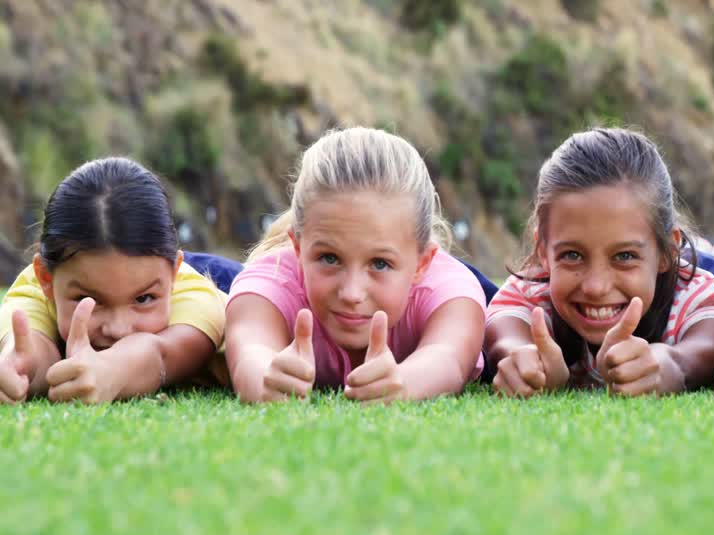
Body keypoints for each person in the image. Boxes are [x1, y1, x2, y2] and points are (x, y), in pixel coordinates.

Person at [225, 127, 486, 403]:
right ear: (298, 248)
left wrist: (405, 383)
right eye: (329, 258)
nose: (351, 293)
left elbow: (449, 357)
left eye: (380, 264)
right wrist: (267, 380)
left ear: (422, 263)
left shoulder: (449, 292)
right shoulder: (270, 283)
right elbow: (249, 352)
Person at [485, 127, 714, 397]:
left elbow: (712, 340)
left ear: (667, 251)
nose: (596, 287)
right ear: (542, 251)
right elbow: (504, 333)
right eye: (572, 255)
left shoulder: (695, 295)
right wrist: (526, 362)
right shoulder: (533, 294)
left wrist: (669, 365)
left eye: (624, 256)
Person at [0, 158, 230, 403]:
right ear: (45, 278)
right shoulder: (34, 286)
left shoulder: (197, 296)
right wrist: (19, 371)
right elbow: (31, 346)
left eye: (143, 299)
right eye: (89, 299)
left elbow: (160, 355)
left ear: (174, 274)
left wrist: (111, 371)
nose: (118, 329)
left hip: (222, 275)